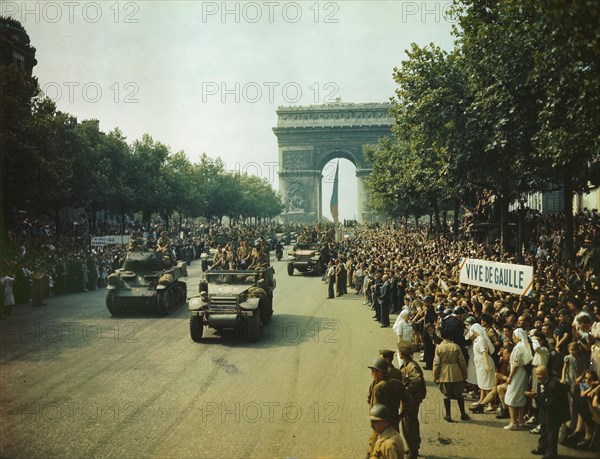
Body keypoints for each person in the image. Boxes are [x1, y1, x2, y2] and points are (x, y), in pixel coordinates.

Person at [527, 365, 570, 459]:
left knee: (552, 432)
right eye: (536, 374)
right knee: (543, 428)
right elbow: (542, 398)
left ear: (546, 374)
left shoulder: (554, 384)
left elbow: (550, 403)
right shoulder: (540, 382)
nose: (538, 377)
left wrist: (535, 397)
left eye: (540, 374)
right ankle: (542, 448)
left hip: (555, 411)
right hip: (545, 409)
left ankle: (552, 454)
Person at [433, 329, 470, 422]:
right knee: (459, 394)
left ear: (441, 336)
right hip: (456, 372)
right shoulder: (456, 347)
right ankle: (463, 414)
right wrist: (464, 373)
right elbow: (462, 362)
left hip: (444, 372)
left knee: (446, 395)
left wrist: (435, 375)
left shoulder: (439, 348)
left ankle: (448, 415)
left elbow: (436, 363)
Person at [397, 341, 426, 459]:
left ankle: (413, 450)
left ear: (402, 354)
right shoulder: (407, 364)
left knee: (409, 424)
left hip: (412, 400)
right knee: (408, 423)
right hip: (410, 399)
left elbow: (416, 381)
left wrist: (406, 390)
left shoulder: (411, 366)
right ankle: (412, 447)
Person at [504, 328, 533, 430]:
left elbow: (515, 364)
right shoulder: (526, 346)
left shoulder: (518, 348)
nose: (512, 337)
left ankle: (513, 423)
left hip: (517, 374)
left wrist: (510, 377)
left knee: (511, 398)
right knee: (521, 397)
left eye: (514, 336)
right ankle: (520, 420)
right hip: (523, 373)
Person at [469, 323, 497, 412]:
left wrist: (486, 364)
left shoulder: (481, 340)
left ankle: (490, 404)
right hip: (479, 364)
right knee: (482, 383)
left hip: (484, 362)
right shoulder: (477, 340)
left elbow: (484, 352)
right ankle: (481, 400)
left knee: (487, 384)